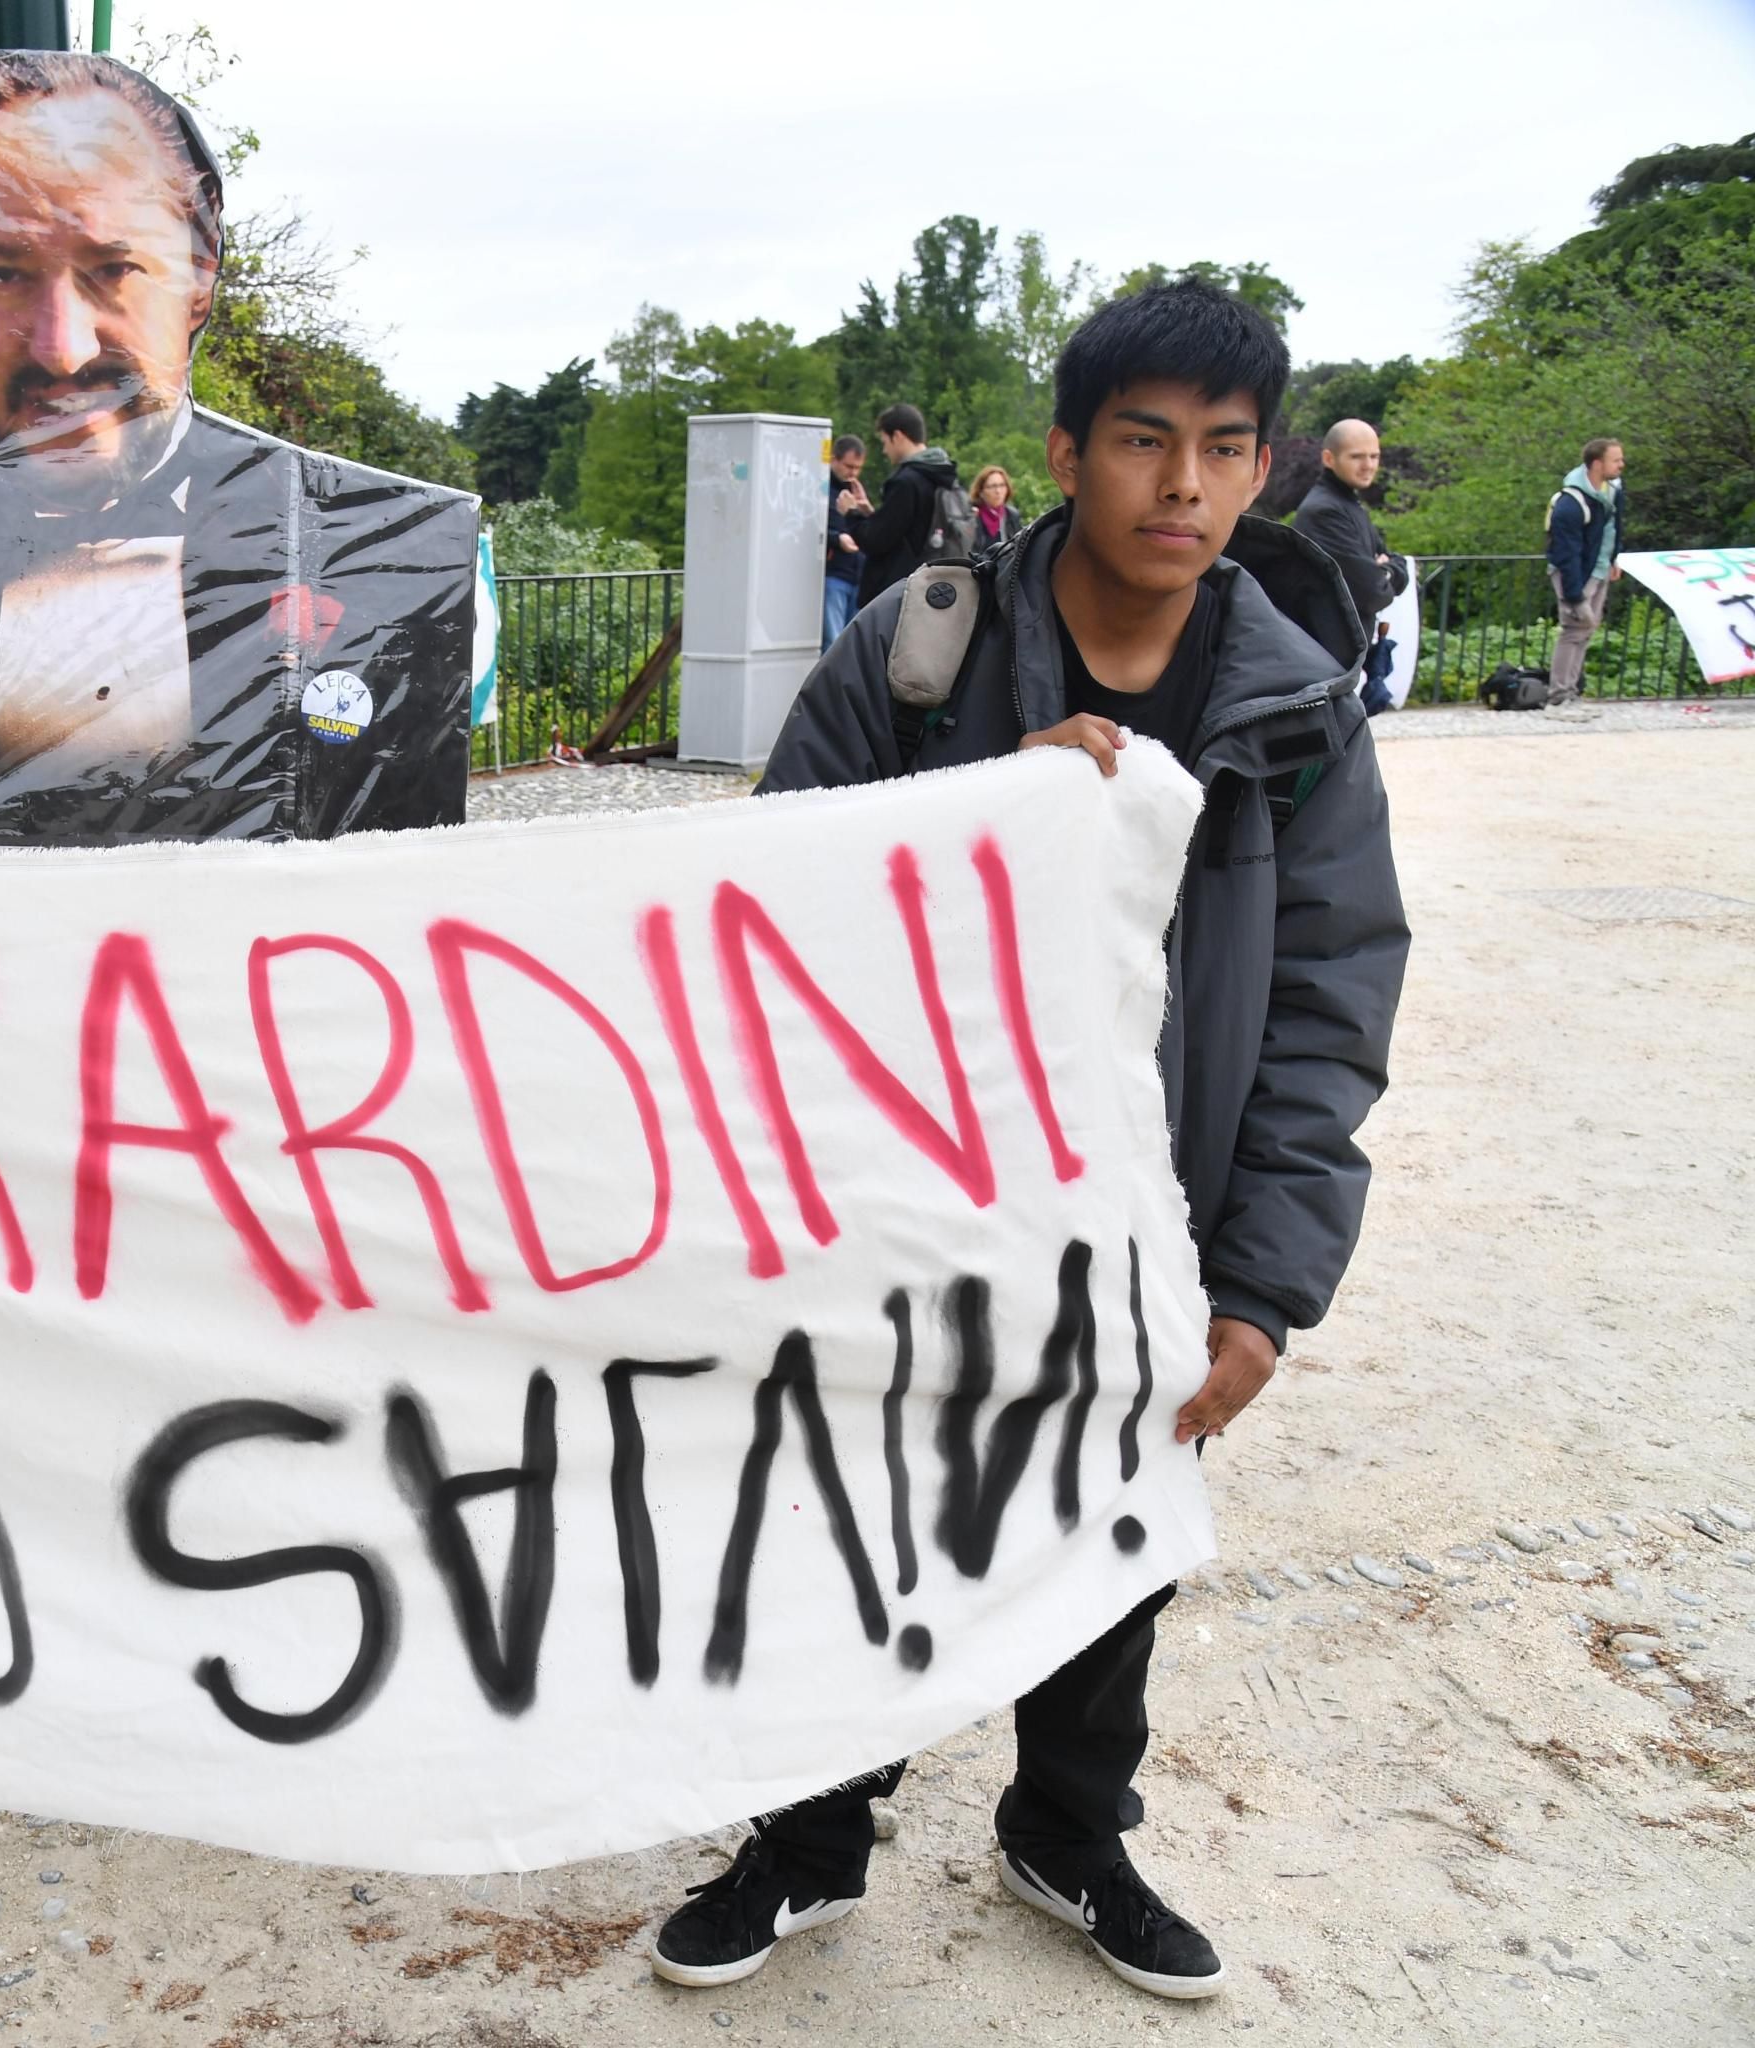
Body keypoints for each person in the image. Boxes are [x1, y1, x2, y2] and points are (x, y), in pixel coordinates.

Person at [648, 281, 1407, 2006]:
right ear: (1066, 453)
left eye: (1224, 449)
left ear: (1263, 469)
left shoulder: (1298, 710)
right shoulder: (920, 654)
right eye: (1143, 439)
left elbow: (1327, 1003)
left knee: (1111, 1532)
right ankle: (808, 1833)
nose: (1182, 484)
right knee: (845, 1515)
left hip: (1150, 1219)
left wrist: (1264, 1286)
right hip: (901, 1209)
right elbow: (772, 906)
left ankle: (1069, 1829)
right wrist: (983, 811)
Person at [0, 50, 477, 846]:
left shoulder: (381, 558)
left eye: (113, 268)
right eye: (0, 272)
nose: (62, 349)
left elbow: (405, 890)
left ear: (200, 274)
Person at [836, 401, 961, 607]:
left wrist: (851, 513)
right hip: (931, 587)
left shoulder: (906, 482)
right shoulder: (943, 475)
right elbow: (906, 531)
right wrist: (871, 514)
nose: (884, 450)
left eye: (885, 442)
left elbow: (876, 541)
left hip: (897, 593)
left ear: (898, 436)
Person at [1292, 417, 1407, 639]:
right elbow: (1373, 593)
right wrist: (1387, 572)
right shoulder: (1324, 512)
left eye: (1374, 456)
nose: (1368, 465)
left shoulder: (1347, 504)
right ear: (1328, 458)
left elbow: (1394, 561)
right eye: (1356, 457)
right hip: (1327, 650)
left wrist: (1387, 571)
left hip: (1346, 648)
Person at [1545, 435, 1626, 705]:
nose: (1621, 465)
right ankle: (1559, 694)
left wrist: (1612, 560)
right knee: (1574, 628)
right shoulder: (1571, 503)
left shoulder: (1611, 492)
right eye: (1615, 460)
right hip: (1577, 572)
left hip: (1599, 568)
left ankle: (1571, 691)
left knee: (1585, 631)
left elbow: (1614, 529)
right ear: (1597, 464)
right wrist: (1574, 594)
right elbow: (1566, 554)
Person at [822, 433, 869, 644]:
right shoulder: (822, 489)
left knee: (852, 642)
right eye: (849, 466)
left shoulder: (856, 491)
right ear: (834, 460)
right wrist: (836, 539)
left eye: (858, 468)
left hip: (858, 574)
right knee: (833, 641)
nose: (853, 473)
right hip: (834, 572)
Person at [971, 465, 1027, 548]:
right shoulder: (972, 515)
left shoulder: (1012, 515)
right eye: (992, 486)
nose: (998, 491)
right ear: (981, 491)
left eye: (1002, 485)